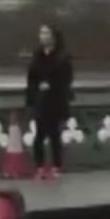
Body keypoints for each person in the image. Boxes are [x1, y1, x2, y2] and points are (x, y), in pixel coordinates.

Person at [25, 25, 74, 180]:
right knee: (39, 135)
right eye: (41, 33)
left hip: (56, 101)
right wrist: (32, 98)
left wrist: (51, 85)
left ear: (53, 36)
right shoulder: (37, 56)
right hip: (40, 101)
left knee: (55, 135)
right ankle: (39, 167)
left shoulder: (62, 56)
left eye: (46, 33)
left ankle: (56, 166)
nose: (42, 36)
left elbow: (67, 79)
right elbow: (31, 79)